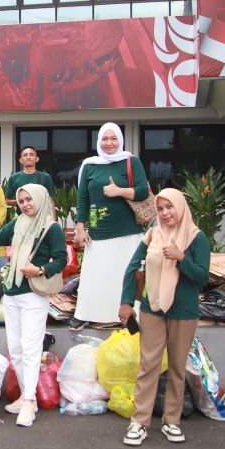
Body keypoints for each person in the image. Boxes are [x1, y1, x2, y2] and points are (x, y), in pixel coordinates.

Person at [118, 189, 210, 446]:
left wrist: (182, 259)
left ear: (180, 207)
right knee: (148, 365)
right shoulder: (152, 235)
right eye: (160, 208)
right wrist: (126, 302)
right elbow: (132, 268)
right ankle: (139, 422)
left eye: (170, 207)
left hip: (183, 311)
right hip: (152, 309)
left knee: (178, 368)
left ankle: (171, 421)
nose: (165, 212)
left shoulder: (196, 238)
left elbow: (202, 277)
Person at [0, 184, 67, 427]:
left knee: (30, 350)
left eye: (30, 199)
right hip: (11, 294)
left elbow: (61, 258)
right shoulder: (18, 223)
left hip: (33, 294)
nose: (26, 204)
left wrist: (40, 269)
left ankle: (29, 401)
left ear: (40, 199)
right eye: (21, 201)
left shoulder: (51, 227)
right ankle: (25, 395)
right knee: (16, 350)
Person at [71, 123, 150, 330]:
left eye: (113, 138)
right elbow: (83, 199)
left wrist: (120, 191)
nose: (109, 143)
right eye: (104, 139)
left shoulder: (130, 161)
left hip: (128, 231)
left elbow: (142, 191)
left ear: (120, 140)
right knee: (95, 276)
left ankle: (131, 317)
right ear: (99, 142)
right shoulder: (89, 165)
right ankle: (87, 314)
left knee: (129, 275)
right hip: (99, 231)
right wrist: (80, 227)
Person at [4, 147, 56, 217]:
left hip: (42, 218)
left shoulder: (45, 177)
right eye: (25, 155)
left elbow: (51, 201)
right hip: (22, 217)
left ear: (37, 159)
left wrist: (53, 221)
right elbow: (7, 201)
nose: (28, 157)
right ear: (20, 160)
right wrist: (23, 201)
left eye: (31, 154)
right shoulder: (14, 177)